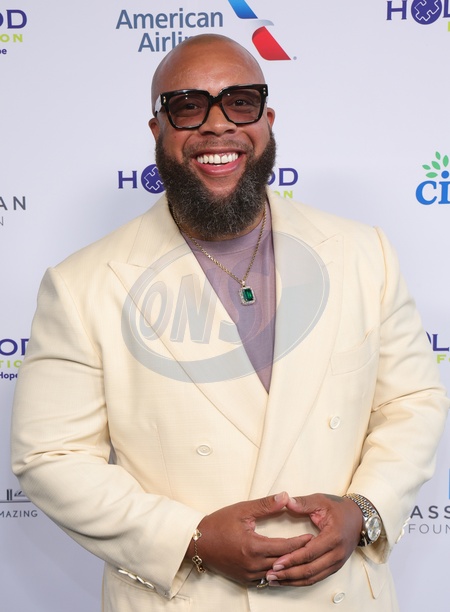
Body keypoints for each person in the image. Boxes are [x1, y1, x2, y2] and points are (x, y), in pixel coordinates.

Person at [11, 33, 448, 612]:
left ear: (268, 121)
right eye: (188, 106)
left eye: (240, 102)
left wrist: (364, 509)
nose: (218, 125)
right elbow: (51, 456)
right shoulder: (81, 284)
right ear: (157, 130)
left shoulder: (364, 253)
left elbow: (412, 402)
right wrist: (189, 540)